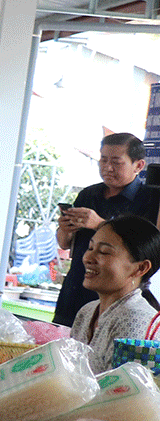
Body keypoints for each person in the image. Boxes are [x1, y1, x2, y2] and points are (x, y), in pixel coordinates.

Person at [54, 133, 157, 327]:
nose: (107, 168)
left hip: (119, 296)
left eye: (117, 162)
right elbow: (64, 243)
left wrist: (100, 225)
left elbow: (148, 248)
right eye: (103, 160)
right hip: (76, 287)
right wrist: (65, 230)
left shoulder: (150, 200)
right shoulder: (88, 194)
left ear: (139, 165)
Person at [68, 215, 160, 374]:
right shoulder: (87, 312)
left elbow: (118, 395)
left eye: (104, 252)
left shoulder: (134, 318)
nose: (88, 258)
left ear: (140, 268)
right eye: (90, 248)